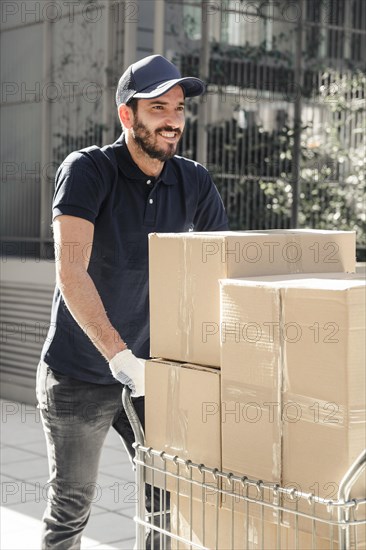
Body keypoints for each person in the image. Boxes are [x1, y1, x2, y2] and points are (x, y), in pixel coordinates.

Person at [36, 54, 229, 549]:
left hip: (152, 375)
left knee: (165, 504)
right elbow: (70, 270)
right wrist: (120, 357)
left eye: (180, 109)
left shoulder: (194, 182)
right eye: (159, 108)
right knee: (71, 507)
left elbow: (217, 271)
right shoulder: (87, 171)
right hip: (81, 373)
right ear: (128, 115)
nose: (172, 121)